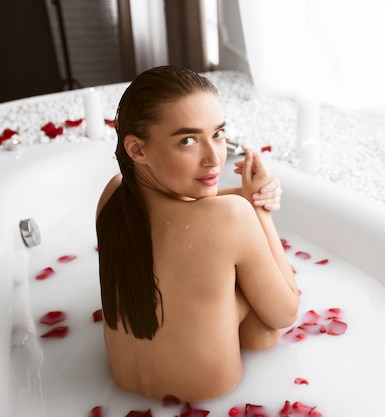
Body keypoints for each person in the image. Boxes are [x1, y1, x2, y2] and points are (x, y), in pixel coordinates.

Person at [95, 66, 299, 401]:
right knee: (264, 330)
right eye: (188, 140)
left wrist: (244, 196)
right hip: (210, 399)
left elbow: (180, 216)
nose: (214, 158)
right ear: (137, 150)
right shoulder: (231, 218)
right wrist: (259, 210)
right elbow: (286, 313)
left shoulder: (112, 195)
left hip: (121, 389)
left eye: (218, 134)